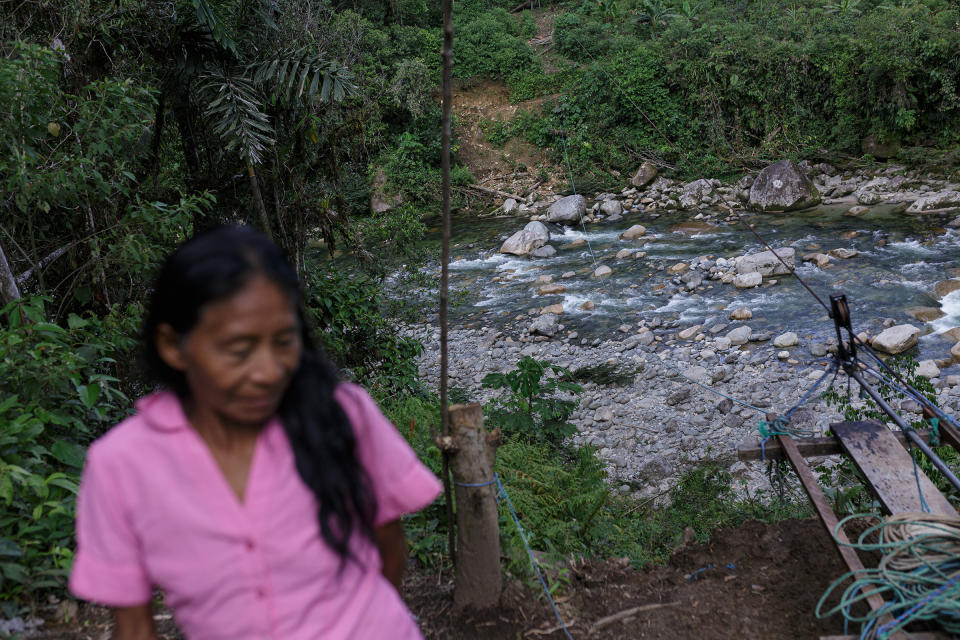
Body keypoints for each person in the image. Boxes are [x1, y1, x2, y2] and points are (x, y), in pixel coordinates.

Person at [69, 225, 442, 639]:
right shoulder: (120, 467)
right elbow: (135, 629)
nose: (268, 372)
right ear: (173, 346)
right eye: (238, 350)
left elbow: (388, 547)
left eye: (284, 342)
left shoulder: (343, 415)